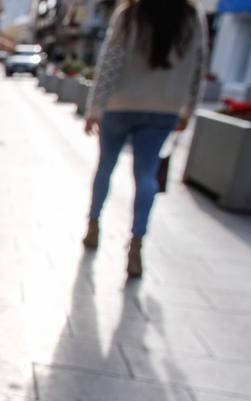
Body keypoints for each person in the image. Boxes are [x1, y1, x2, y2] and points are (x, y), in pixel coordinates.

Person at [82, 0, 206, 276]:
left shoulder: (130, 15)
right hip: (164, 108)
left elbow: (111, 63)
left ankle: (93, 223)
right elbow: (197, 66)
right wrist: (188, 108)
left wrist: (95, 108)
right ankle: (137, 242)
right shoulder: (190, 18)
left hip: (120, 105)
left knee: (105, 167)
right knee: (147, 175)